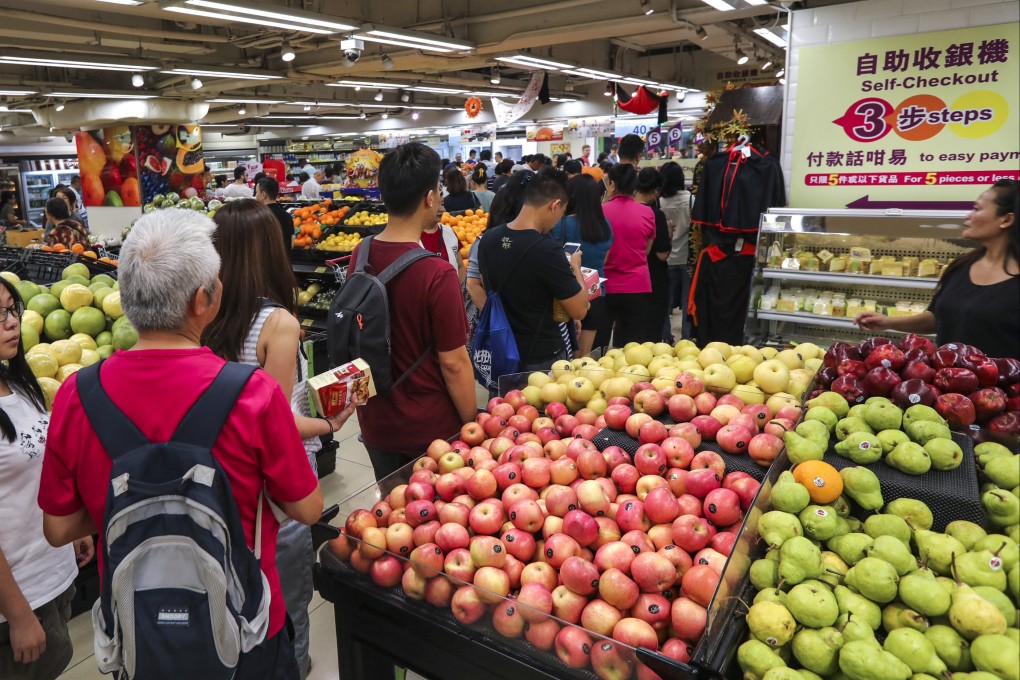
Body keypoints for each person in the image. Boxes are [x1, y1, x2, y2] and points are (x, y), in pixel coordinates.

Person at [39, 209, 325, 678]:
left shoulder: (77, 394)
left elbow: (58, 529)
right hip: (246, 629)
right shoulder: (252, 392)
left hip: (138, 630)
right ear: (203, 300)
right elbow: (308, 509)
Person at [203, 199, 358, 680]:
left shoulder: (203, 316)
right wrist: (331, 424)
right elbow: (278, 422)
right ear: (272, 248)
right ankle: (293, 665)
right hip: (276, 489)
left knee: (234, 594)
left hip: (222, 476)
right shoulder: (279, 324)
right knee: (288, 599)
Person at [349, 143, 476, 481]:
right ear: (429, 197)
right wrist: (472, 422)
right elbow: (454, 362)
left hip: (375, 419)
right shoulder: (437, 272)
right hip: (429, 431)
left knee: (391, 524)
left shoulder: (360, 255)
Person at [0, 276, 93, 680]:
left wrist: (69, 524)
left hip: (50, 572)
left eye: (12, 309)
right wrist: (18, 615)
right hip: (14, 597)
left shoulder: (17, 382)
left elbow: (42, 466)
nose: (11, 322)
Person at [857, 179, 1020, 359]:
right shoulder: (961, 266)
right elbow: (938, 318)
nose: (968, 216)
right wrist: (888, 322)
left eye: (977, 209)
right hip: (949, 381)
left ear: (1007, 219)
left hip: (1000, 385)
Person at [478, 169, 589, 372]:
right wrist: (575, 267)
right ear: (555, 205)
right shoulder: (546, 249)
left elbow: (486, 285)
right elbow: (579, 309)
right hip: (540, 356)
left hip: (501, 351)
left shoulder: (488, 239)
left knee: (504, 403)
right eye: (561, 213)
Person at [550, 174, 614, 357]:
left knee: (567, 361)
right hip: (596, 294)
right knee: (588, 361)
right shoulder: (605, 225)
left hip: (566, 297)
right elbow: (605, 260)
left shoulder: (558, 225)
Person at [599, 163, 655, 348]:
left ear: (612, 184)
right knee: (633, 347)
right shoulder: (647, 212)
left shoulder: (600, 211)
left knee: (599, 346)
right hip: (637, 286)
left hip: (605, 286)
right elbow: (646, 251)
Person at [634, 168, 673, 342]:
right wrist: (669, 233)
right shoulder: (655, 215)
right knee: (651, 333)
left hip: (625, 279)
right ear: (656, 190)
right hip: (652, 278)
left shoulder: (621, 210)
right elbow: (662, 254)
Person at [659, 162, 692, 340]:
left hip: (667, 258)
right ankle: (686, 338)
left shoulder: (660, 202)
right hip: (687, 257)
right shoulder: (691, 200)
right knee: (688, 301)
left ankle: (666, 337)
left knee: (665, 301)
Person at [255, 177, 295, 248]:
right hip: (284, 258)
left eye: (257, 193)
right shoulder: (287, 216)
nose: (256, 196)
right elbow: (291, 244)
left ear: (263, 195)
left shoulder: (258, 217)